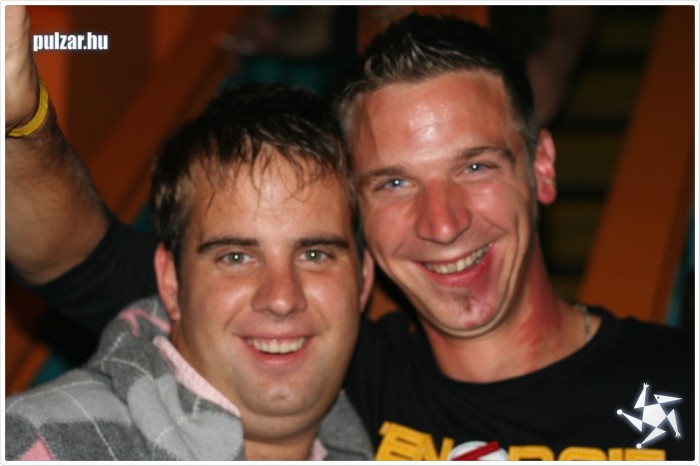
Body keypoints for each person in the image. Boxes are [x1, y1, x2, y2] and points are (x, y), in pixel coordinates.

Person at [5, 7, 695, 461]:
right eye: (394, 182)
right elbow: (75, 256)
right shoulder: (323, 360)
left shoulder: (680, 380)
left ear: (540, 168)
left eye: (475, 166)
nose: (444, 223)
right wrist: (19, 117)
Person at [5, 75, 375, 459]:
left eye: (314, 255)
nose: (282, 299)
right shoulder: (38, 441)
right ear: (171, 281)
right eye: (236, 257)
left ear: (363, 279)